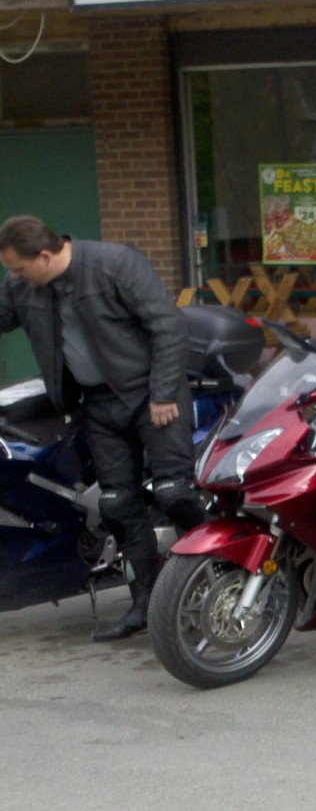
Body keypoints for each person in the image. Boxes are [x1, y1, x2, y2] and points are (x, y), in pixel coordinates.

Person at [0, 215, 204, 641]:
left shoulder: (115, 265)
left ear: (44, 255)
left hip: (152, 396)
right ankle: (145, 605)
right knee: (116, 504)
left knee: (174, 492)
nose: (13, 277)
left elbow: (167, 325)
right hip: (98, 404)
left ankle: (210, 584)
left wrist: (164, 392)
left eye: (18, 268)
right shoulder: (25, 287)